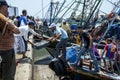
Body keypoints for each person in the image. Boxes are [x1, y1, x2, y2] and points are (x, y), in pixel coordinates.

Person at [0, 1, 20, 80]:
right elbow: (17, 30)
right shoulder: (4, 19)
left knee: (2, 71)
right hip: (7, 51)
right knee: (9, 74)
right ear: (3, 7)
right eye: (7, 8)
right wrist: (12, 29)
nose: (7, 10)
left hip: (2, 49)